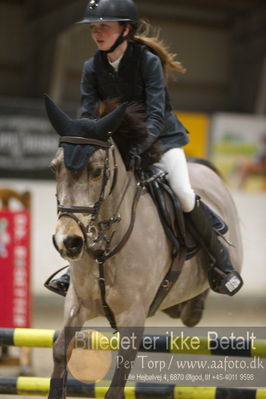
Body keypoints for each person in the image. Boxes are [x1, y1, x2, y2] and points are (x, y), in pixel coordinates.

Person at [47, 0, 243, 297]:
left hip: (162, 139)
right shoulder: (92, 67)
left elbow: (156, 113)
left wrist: (139, 146)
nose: (97, 33)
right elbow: (88, 114)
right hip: (118, 145)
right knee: (95, 195)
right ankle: (74, 270)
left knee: (182, 192)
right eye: (93, 28)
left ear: (126, 30)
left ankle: (221, 262)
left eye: (104, 27)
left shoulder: (147, 61)